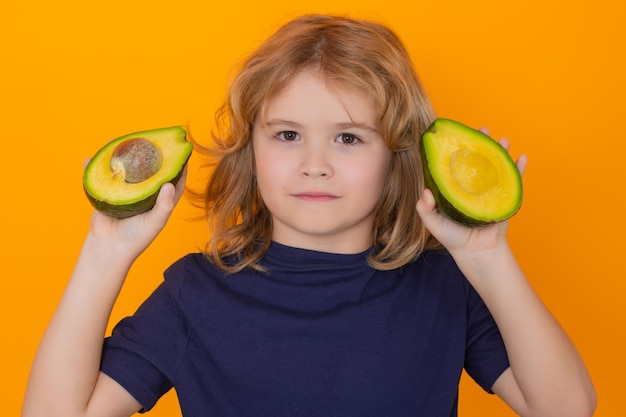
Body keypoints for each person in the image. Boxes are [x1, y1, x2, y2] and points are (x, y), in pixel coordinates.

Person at [22, 14, 596, 417]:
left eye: (348, 137)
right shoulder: (192, 296)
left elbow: (565, 407)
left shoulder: (446, 285)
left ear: (398, 155)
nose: (314, 164)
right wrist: (106, 252)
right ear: (252, 150)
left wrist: (489, 257)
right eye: (288, 134)